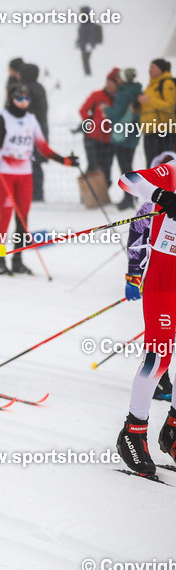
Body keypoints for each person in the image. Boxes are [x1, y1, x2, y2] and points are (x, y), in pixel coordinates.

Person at [114, 154, 176, 475]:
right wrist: (163, 196)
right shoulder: (172, 172)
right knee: (159, 359)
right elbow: (128, 180)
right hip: (164, 277)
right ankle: (133, 432)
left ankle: (173, 430)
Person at [0, 85, 78, 275]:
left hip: (25, 174)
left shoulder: (31, 120)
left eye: (26, 99)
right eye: (19, 99)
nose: (23, 103)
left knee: (23, 219)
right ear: (11, 98)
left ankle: (18, 259)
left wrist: (65, 161)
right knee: (5, 217)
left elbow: (43, 148)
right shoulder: (3, 118)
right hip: (5, 173)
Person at [124, 151, 176, 404]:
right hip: (157, 273)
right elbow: (136, 238)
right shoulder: (149, 205)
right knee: (161, 342)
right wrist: (134, 274)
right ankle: (159, 381)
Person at [106, 68, 143, 210]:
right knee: (129, 166)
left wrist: (106, 109)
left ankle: (128, 197)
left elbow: (115, 114)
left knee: (125, 168)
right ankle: (134, 195)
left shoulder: (124, 94)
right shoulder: (138, 91)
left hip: (122, 135)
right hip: (133, 134)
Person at [20, 62, 49, 202]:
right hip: (41, 129)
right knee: (35, 161)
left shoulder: (27, 89)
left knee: (31, 162)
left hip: (30, 130)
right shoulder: (39, 87)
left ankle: (35, 194)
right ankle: (37, 192)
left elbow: (23, 110)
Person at [138, 59, 175, 164]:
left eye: (153, 67)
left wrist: (150, 100)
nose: (150, 70)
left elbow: (170, 107)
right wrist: (138, 107)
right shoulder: (151, 85)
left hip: (163, 131)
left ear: (161, 69)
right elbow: (150, 110)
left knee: (162, 166)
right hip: (150, 132)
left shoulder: (167, 83)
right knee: (151, 166)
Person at [76, 6, 101, 77]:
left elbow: (91, 35)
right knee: (84, 61)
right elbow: (82, 35)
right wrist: (78, 42)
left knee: (85, 61)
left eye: (81, 12)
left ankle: (88, 75)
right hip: (83, 45)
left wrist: (89, 44)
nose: (79, 13)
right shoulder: (83, 22)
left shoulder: (88, 23)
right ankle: (87, 75)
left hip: (87, 46)